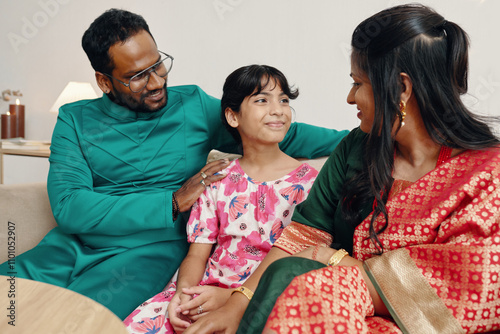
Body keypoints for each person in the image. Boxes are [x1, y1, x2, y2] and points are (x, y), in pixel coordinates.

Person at [0, 9, 348, 319]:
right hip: (71, 244)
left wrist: (362, 136)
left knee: (72, 318)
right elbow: (69, 206)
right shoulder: (74, 119)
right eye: (137, 76)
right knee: (9, 297)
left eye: (158, 65)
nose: (156, 82)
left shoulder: (192, 105)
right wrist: (171, 201)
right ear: (104, 81)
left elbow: (270, 127)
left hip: (150, 249)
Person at [183, 4, 500, 334]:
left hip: (424, 324)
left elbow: (466, 292)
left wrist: (331, 259)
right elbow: (304, 235)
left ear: (401, 89)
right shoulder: (357, 148)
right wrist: (238, 304)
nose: (350, 98)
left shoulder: (485, 173)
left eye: (358, 83)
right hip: (339, 309)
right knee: (289, 271)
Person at [123, 64, 320, 334]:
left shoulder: (310, 183)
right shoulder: (218, 179)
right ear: (232, 116)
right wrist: (184, 295)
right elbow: (197, 254)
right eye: (262, 100)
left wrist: (228, 299)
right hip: (204, 292)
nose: (278, 110)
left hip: (266, 298)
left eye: (284, 100)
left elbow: (302, 264)